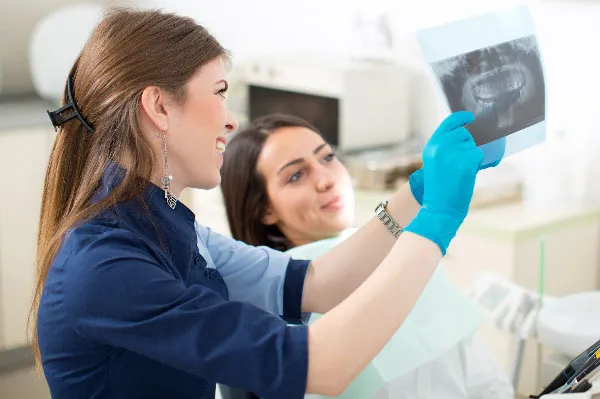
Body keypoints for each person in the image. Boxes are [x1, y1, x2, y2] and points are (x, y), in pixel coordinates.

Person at [32, 8, 494, 399]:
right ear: (159, 107)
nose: (231, 122)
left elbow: (317, 284)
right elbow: (322, 364)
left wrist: (417, 194)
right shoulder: (106, 266)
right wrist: (437, 221)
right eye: (219, 93)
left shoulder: (163, 222)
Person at [220, 114, 514, 399]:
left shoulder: (407, 250)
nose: (325, 180)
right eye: (296, 175)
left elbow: (485, 379)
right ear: (264, 209)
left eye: (327, 158)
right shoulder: (276, 307)